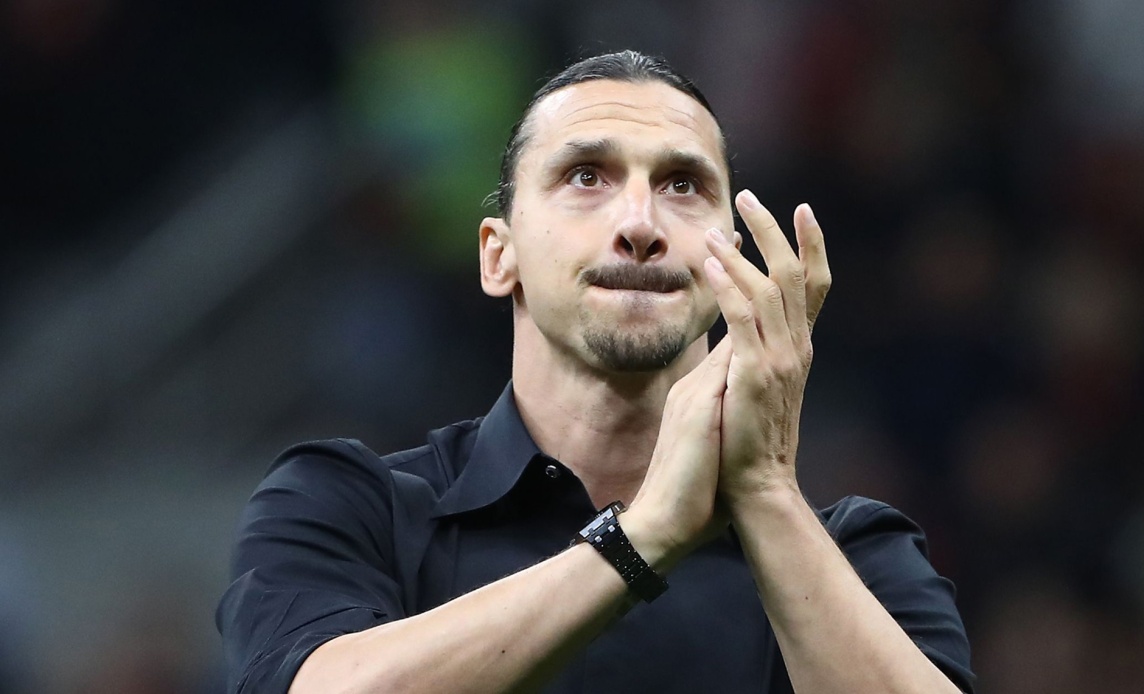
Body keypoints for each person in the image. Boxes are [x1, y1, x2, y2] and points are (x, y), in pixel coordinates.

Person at [216, 50, 975, 694]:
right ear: (499, 254)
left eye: (682, 185)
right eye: (586, 176)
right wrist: (642, 536)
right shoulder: (351, 506)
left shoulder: (855, 556)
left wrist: (765, 493)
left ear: (732, 265)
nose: (639, 224)